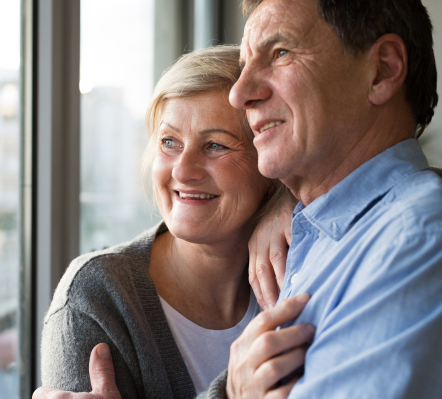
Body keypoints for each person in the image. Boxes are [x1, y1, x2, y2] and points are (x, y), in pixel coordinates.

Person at [37, 45, 314, 399]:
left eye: (215, 145)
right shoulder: (94, 300)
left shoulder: (303, 263)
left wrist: (292, 197)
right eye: (169, 142)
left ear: (270, 159)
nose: (183, 170)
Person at [225, 0, 442, 397]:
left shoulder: (414, 242)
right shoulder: (313, 231)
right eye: (243, 66)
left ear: (382, 71)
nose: (239, 94)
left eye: (280, 53)